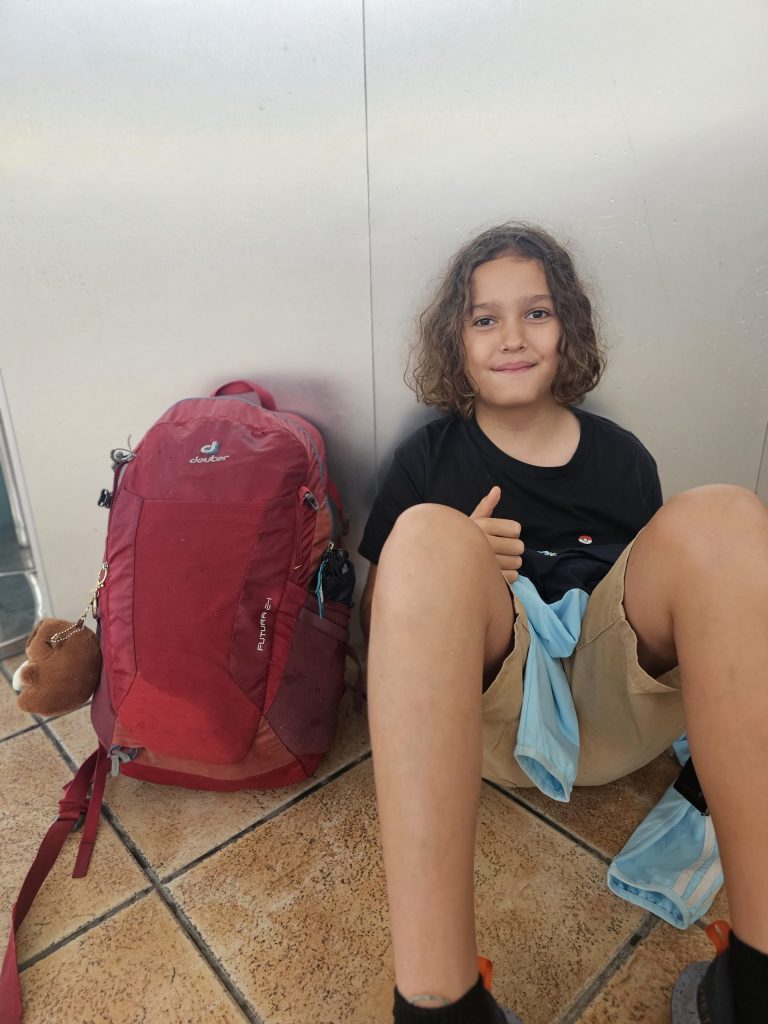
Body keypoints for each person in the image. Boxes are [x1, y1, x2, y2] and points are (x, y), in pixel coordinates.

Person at [357, 223, 768, 1024]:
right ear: (456, 340)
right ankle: (438, 1006)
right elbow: (379, 632)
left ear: (567, 328)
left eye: (535, 313)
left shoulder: (622, 459)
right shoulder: (427, 461)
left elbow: (675, 612)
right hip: (492, 724)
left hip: (617, 710)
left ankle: (759, 981)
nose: (512, 337)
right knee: (428, 536)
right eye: (484, 318)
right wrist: (462, 557)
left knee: (723, 515)